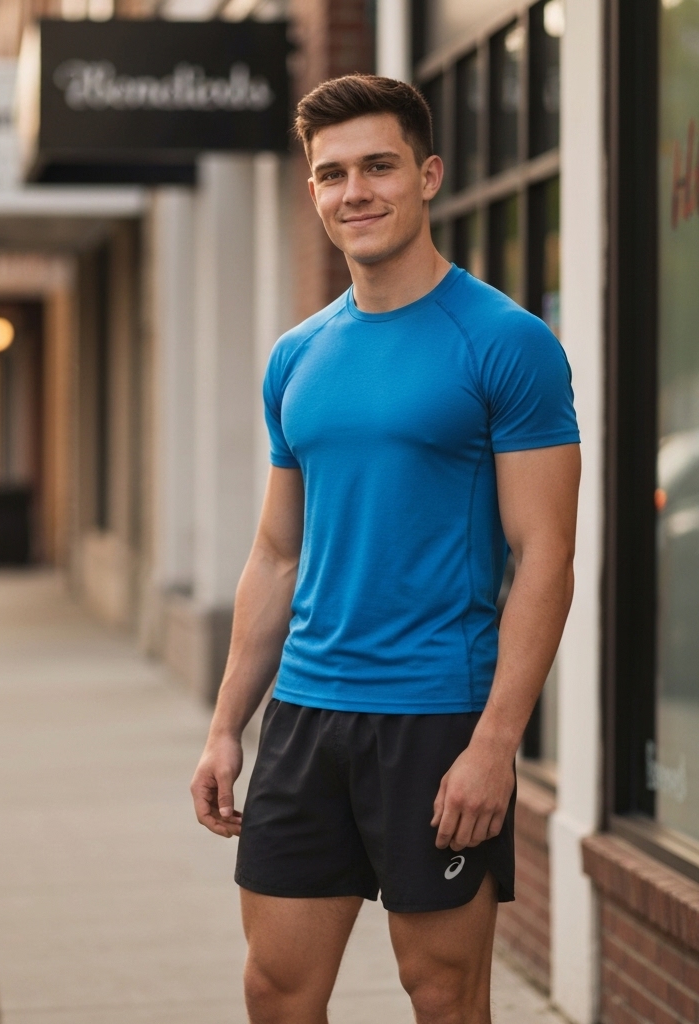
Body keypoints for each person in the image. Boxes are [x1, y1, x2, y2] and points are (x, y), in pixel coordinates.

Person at [189, 74, 580, 1024]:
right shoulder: (297, 357)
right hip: (308, 716)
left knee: (443, 994)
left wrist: (496, 745)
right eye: (331, 174)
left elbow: (547, 558)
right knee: (276, 990)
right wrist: (226, 722)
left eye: (378, 167)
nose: (353, 192)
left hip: (437, 720)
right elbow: (277, 554)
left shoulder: (506, 343)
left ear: (429, 175)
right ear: (312, 192)